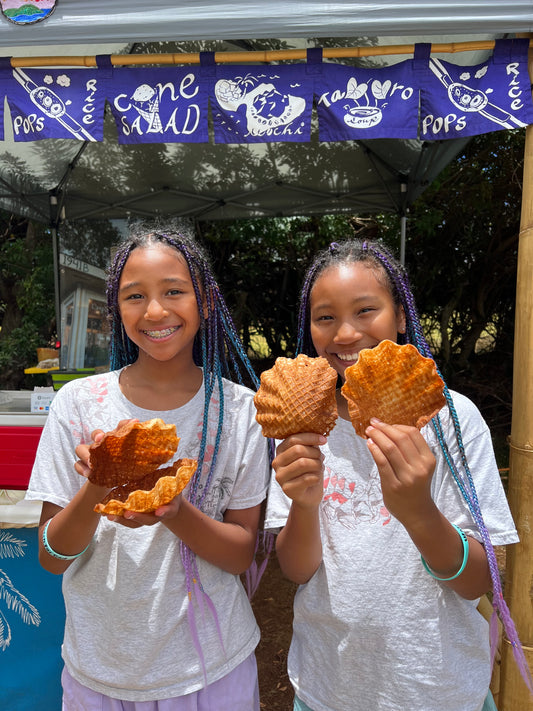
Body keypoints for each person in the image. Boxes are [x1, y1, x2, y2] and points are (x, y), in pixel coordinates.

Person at [264, 238, 530, 711]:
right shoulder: (302, 428)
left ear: (402, 316)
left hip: (438, 690)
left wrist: (419, 511)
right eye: (325, 317)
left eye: (366, 310)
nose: (345, 333)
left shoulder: (451, 421)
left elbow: (478, 582)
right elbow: (297, 569)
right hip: (328, 689)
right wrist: (304, 505)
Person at [25, 223, 270, 710]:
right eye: (134, 295)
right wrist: (98, 485)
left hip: (211, 669)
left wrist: (174, 511)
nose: (155, 311)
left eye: (174, 291)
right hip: (100, 669)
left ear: (205, 299)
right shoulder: (79, 404)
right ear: (117, 308)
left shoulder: (241, 411)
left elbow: (241, 554)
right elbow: (52, 556)